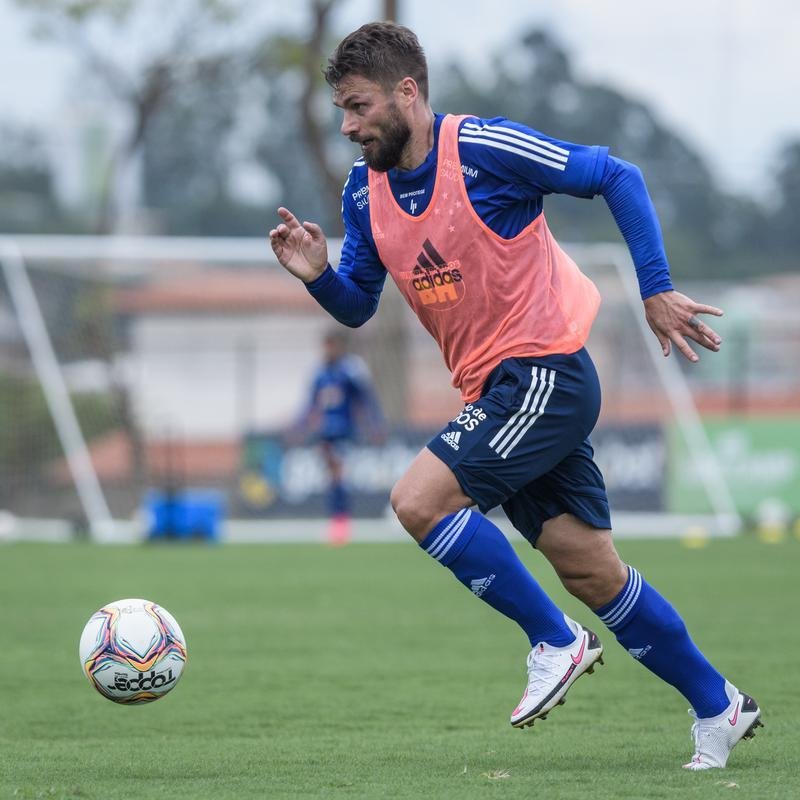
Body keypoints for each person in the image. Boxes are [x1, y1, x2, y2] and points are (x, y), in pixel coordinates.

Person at [269, 22, 761, 769]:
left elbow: (616, 176)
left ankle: (555, 641)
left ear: (408, 92)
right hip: (498, 386)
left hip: (545, 373)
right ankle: (719, 705)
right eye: (341, 108)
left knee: (417, 501)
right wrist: (316, 276)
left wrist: (656, 289)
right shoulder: (362, 193)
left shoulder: (485, 149)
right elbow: (360, 303)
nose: (348, 125)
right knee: (589, 567)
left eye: (360, 105)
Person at [288, 329, 385, 544]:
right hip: (326, 431)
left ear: (340, 347)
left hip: (345, 430)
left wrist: (374, 425)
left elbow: (366, 399)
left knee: (338, 475)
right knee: (333, 478)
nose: (328, 350)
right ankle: (338, 521)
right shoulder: (320, 373)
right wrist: (300, 427)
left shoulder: (351, 370)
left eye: (331, 346)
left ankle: (341, 523)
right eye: (326, 346)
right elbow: (311, 405)